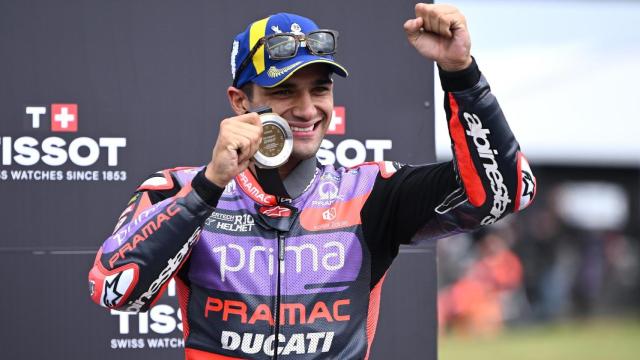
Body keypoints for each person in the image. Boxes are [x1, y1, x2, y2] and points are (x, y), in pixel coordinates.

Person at [88, 3, 536, 359]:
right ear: (240, 101)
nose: (306, 109)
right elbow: (116, 290)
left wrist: (461, 74)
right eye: (284, 91)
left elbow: (506, 193)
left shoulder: (370, 192)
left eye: (319, 89)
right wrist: (209, 187)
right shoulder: (179, 188)